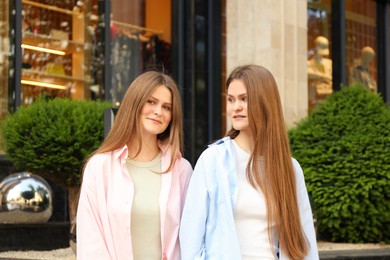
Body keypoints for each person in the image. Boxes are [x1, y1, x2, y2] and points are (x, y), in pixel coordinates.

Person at [180, 64, 319, 259]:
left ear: (264, 102)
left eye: (244, 99)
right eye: (231, 99)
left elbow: (305, 242)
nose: (235, 107)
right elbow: (190, 240)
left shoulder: (290, 168)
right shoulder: (213, 161)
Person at [77, 70, 193, 259]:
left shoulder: (181, 169)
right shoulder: (100, 167)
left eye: (167, 107)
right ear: (135, 103)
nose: (158, 111)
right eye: (151, 102)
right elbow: (91, 240)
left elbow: (189, 238)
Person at [307, 36, 333, 110]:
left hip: (328, 94)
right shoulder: (309, 63)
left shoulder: (329, 63)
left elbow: (331, 77)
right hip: (315, 97)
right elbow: (308, 73)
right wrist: (322, 76)